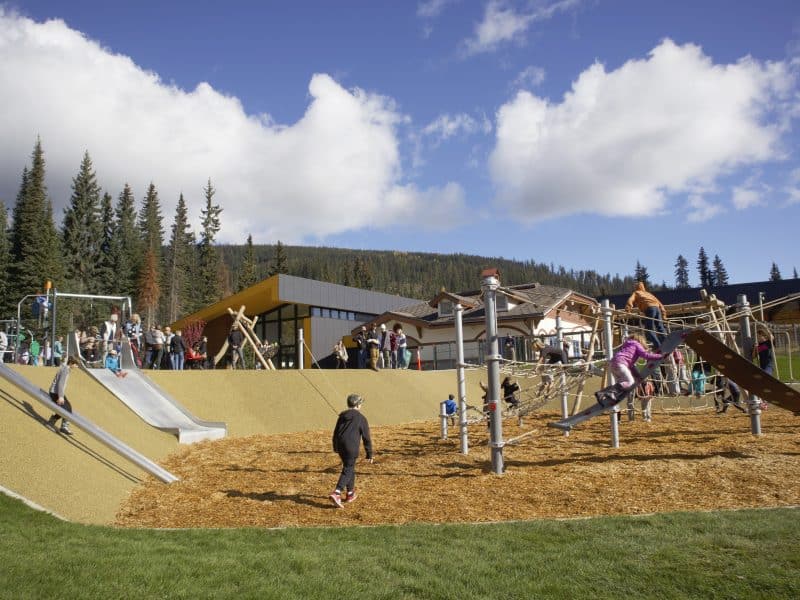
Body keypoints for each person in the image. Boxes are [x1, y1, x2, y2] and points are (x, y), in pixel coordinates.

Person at [329, 393, 373, 508]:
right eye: (360, 403)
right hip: (351, 447)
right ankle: (337, 492)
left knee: (349, 467)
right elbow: (366, 438)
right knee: (348, 468)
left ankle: (350, 494)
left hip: (341, 446)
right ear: (357, 405)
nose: (361, 405)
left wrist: (335, 446)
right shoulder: (361, 418)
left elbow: (335, 433)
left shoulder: (342, 416)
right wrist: (369, 454)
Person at [625, 282, 668, 349]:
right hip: (657, 309)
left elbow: (630, 300)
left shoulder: (636, 293)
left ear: (636, 288)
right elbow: (660, 304)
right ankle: (667, 343)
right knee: (660, 327)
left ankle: (658, 346)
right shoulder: (649, 294)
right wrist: (664, 315)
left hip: (649, 309)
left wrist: (628, 309)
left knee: (649, 329)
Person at [46, 356, 80, 435]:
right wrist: (61, 397)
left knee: (68, 407)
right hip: (55, 393)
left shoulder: (66, 369)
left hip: (57, 392)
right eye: (76, 365)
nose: (77, 367)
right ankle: (61, 426)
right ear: (71, 363)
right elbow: (60, 384)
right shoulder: (65, 370)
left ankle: (58, 424)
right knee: (65, 409)